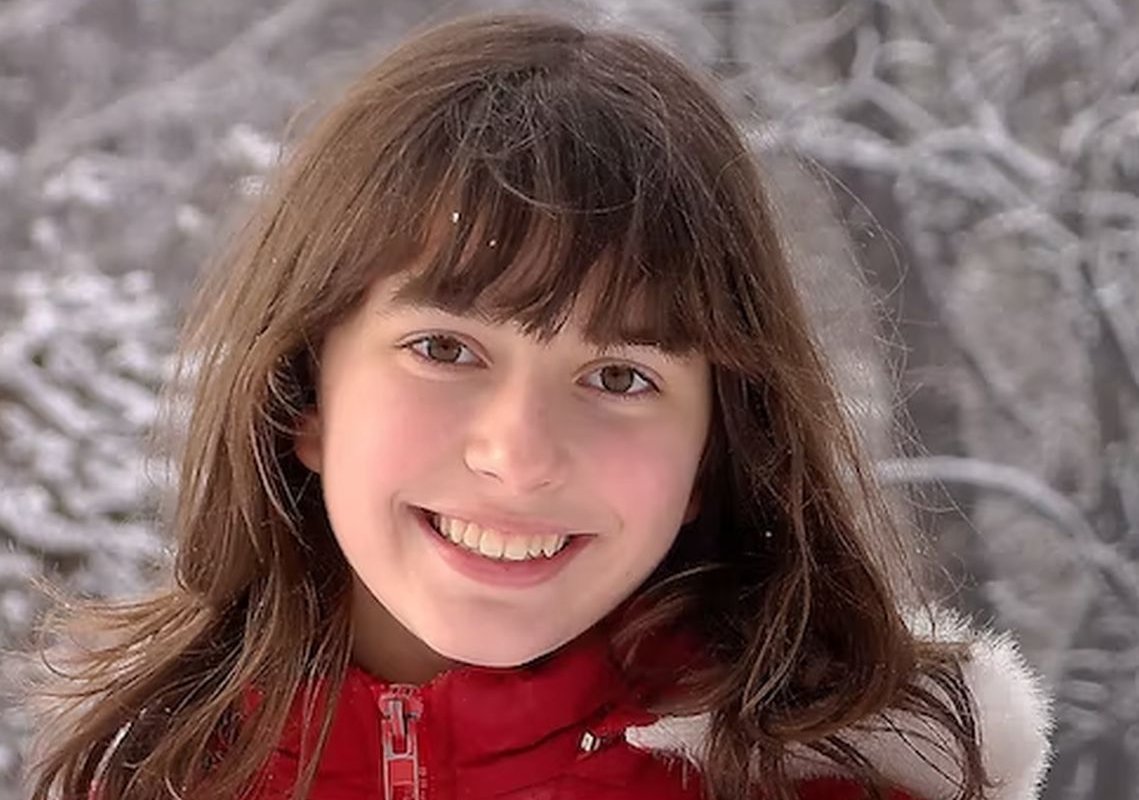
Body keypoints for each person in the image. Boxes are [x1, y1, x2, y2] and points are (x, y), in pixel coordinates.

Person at [25, 10, 1052, 800]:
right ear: (305, 394)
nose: (517, 455)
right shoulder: (142, 770)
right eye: (443, 347)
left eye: (618, 377)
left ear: (710, 449)